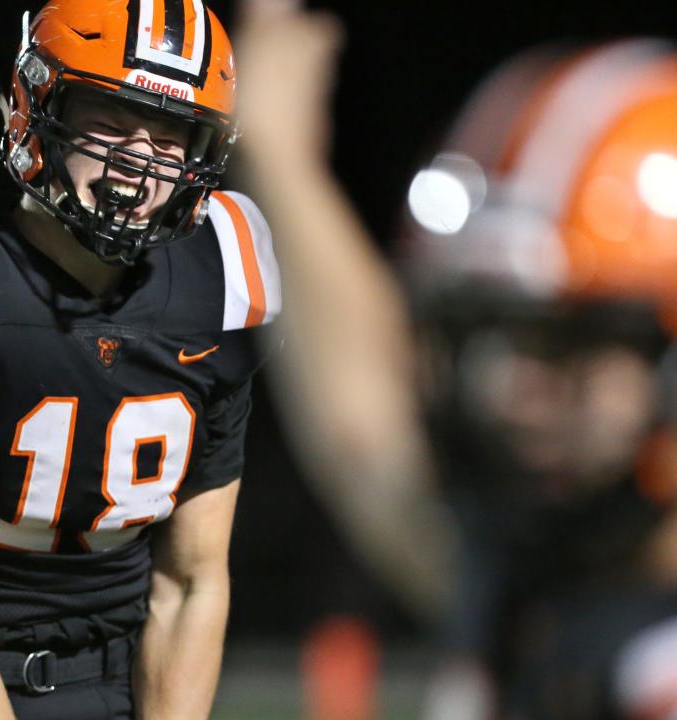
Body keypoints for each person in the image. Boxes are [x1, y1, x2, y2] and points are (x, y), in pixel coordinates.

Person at [0, 1, 280, 718]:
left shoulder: (220, 283)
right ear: (34, 104)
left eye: (171, 130)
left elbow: (190, 586)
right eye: (109, 115)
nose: (140, 157)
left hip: (113, 687)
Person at [237, 3, 677, 718]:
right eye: (498, 341)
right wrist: (280, 158)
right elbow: (370, 439)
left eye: (569, 346)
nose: (510, 391)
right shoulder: (556, 592)